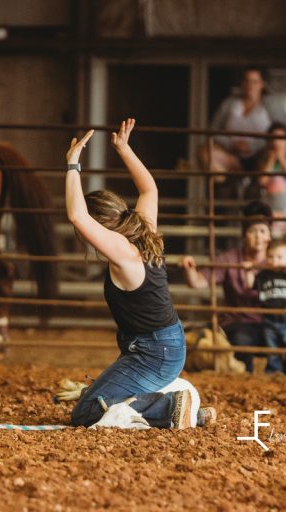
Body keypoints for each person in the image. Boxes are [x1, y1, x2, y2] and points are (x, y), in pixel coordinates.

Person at [66, 118, 203, 429]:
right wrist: (124, 150)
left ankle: (170, 406)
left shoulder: (124, 251)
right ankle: (180, 404)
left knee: (86, 413)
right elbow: (149, 188)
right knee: (95, 400)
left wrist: (73, 165)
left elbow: (76, 215)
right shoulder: (142, 231)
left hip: (153, 352)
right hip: (163, 345)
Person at [181, 200, 286, 373]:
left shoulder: (279, 258)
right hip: (243, 322)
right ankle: (246, 374)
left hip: (278, 320)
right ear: (244, 235)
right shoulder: (230, 259)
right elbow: (197, 282)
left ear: (269, 235)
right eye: (252, 231)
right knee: (242, 337)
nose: (257, 236)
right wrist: (189, 268)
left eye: (262, 231)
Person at [198, 69, 272, 184]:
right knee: (204, 152)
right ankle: (225, 186)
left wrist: (252, 146)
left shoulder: (271, 105)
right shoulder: (229, 104)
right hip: (231, 155)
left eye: (254, 81)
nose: (250, 86)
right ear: (242, 84)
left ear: (262, 83)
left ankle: (255, 189)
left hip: (261, 156)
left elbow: (281, 132)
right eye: (247, 81)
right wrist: (232, 144)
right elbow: (213, 130)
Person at [252, 122, 286, 257]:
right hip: (272, 211)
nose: (277, 142)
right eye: (274, 138)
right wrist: (272, 158)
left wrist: (281, 157)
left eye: (281, 138)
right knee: (273, 246)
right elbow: (262, 180)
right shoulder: (264, 158)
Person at [254, 239, 286, 374]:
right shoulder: (263, 274)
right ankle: (274, 370)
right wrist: (250, 269)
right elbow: (250, 284)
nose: (275, 261)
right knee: (272, 347)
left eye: (280, 257)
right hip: (269, 317)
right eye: (270, 257)